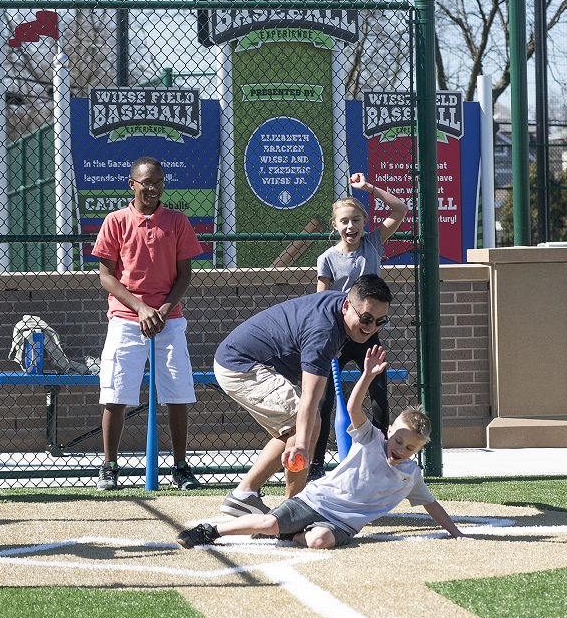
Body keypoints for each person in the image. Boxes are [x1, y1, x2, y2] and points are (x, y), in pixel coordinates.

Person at [178, 344, 470, 549]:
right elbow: (354, 407)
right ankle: (209, 531)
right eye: (398, 440)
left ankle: (289, 535)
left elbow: (431, 504)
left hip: (342, 524)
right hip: (316, 501)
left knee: (319, 542)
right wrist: (367, 376)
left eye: (410, 448)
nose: (400, 450)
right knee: (267, 524)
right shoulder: (371, 440)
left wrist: (455, 533)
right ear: (389, 430)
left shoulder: (411, 476)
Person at [213, 274, 393, 517]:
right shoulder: (324, 332)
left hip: (247, 362)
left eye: (380, 321)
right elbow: (310, 397)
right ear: (347, 305)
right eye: (366, 318)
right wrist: (302, 445)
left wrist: (300, 439)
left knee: (295, 427)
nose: (371, 328)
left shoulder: (339, 310)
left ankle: (245, 496)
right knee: (305, 425)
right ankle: (292, 511)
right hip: (241, 365)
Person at [91, 156, 204, 491]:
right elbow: (106, 277)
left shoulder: (177, 221)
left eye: (158, 182)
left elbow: (185, 274)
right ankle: (109, 466)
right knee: (116, 392)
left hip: (168, 321)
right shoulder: (115, 221)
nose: (152, 188)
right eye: (146, 182)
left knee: (178, 393)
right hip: (126, 319)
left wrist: (163, 311)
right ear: (132, 184)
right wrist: (140, 308)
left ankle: (181, 467)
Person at [310, 172, 408, 481]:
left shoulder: (373, 244)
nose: (351, 226)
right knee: (323, 401)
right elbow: (320, 300)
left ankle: (378, 459)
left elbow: (400, 209)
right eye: (344, 221)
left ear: (364, 223)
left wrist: (368, 188)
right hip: (338, 336)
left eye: (356, 220)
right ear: (335, 226)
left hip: (368, 335)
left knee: (379, 397)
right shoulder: (326, 258)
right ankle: (316, 465)